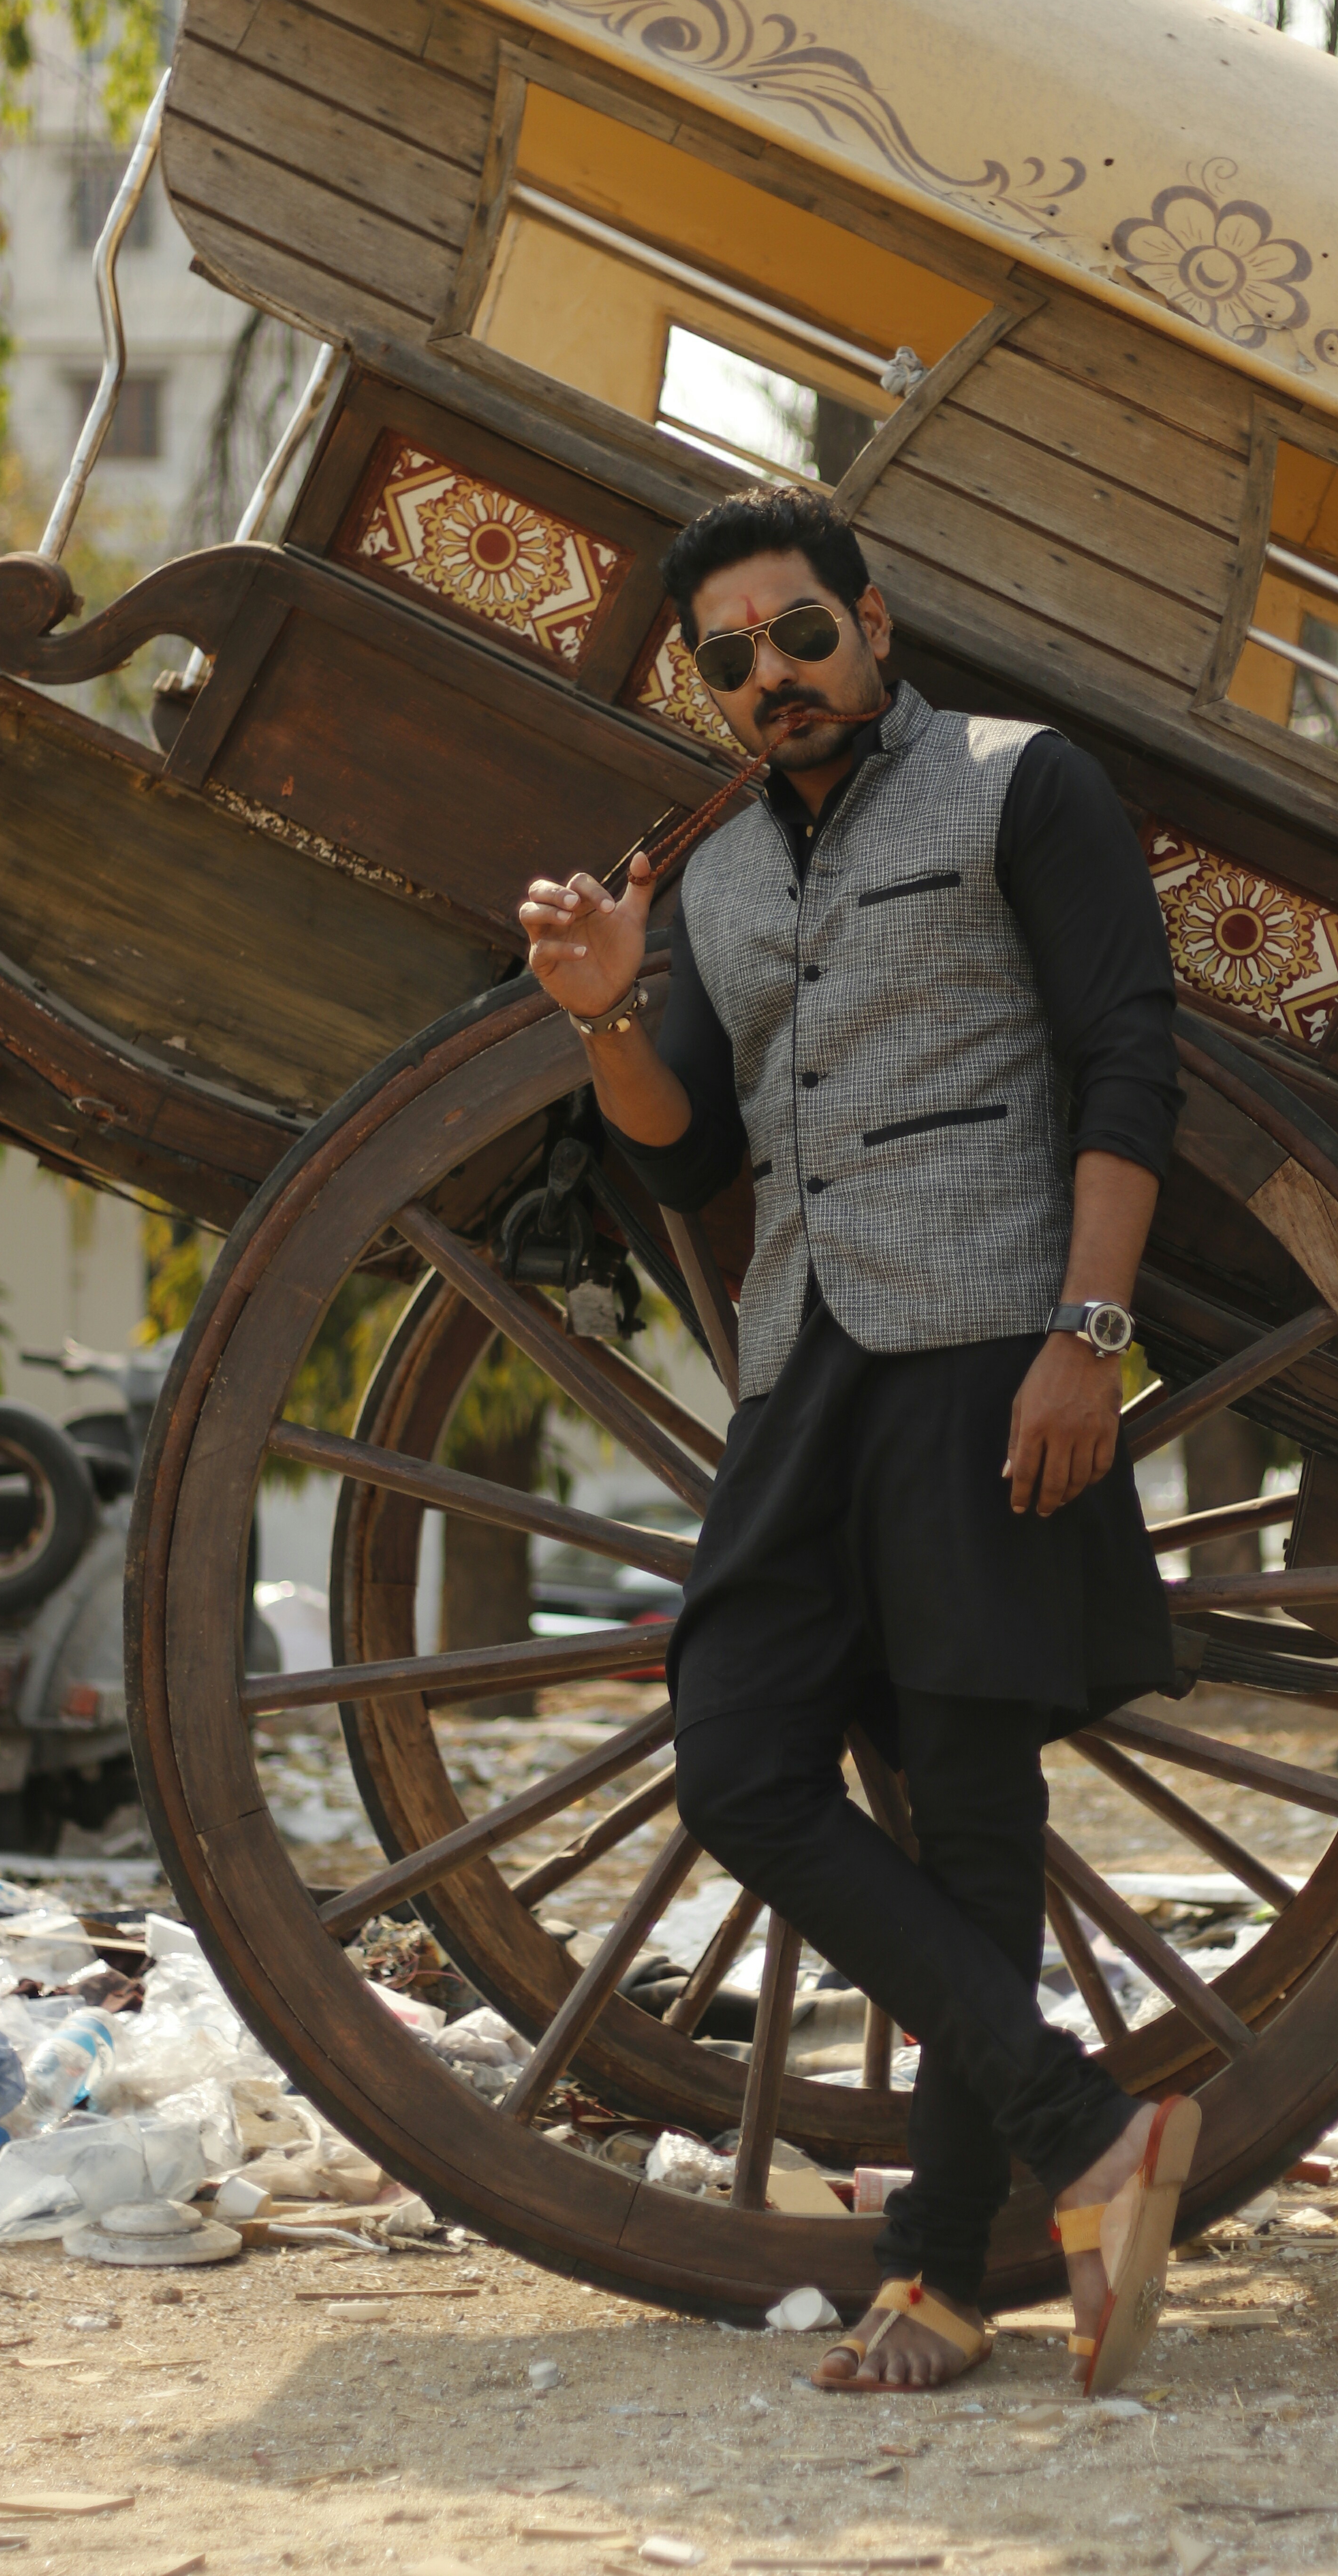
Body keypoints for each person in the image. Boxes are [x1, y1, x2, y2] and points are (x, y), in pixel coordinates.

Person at [520, 484, 1194, 2395]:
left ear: (872, 623)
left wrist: (1087, 1336)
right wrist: (605, 1019)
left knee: (969, 1812)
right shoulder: (718, 877)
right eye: (730, 659)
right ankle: (1087, 2129)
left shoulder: (1019, 786)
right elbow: (690, 1159)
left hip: (990, 1349)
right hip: (801, 1365)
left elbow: (1128, 1056)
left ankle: (938, 2283)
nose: (774, 677)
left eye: (800, 634)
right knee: (740, 1761)